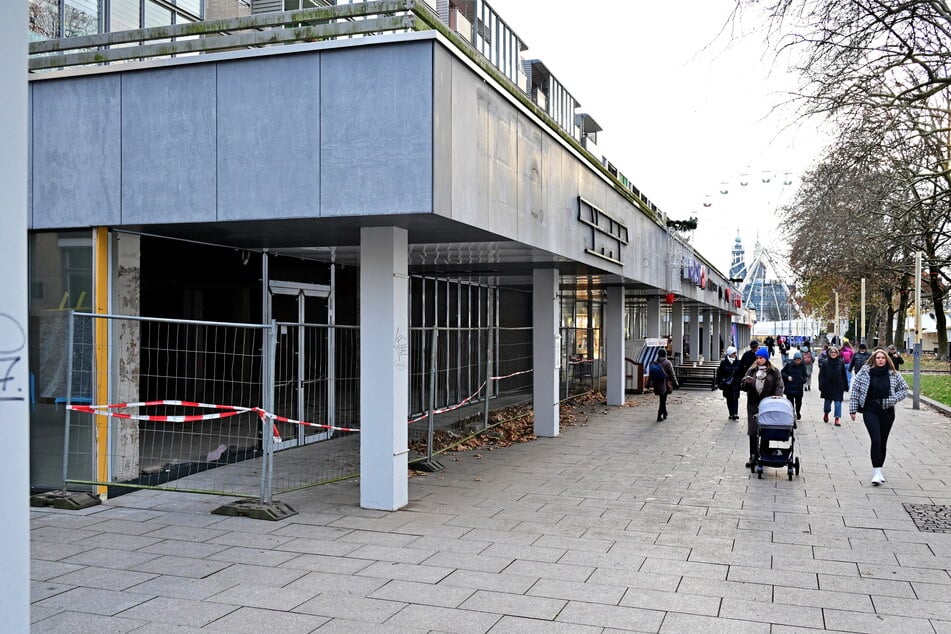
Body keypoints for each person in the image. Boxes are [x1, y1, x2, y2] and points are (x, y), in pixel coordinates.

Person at [849, 348, 909, 485]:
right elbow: (855, 391)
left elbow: (904, 389)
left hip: (887, 410)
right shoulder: (864, 373)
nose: (880, 360)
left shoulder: (893, 374)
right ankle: (876, 472)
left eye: (883, 358)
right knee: (875, 439)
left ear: (886, 359)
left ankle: (880, 470)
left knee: (883, 441)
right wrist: (852, 410)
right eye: (878, 358)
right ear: (874, 359)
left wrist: (893, 399)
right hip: (870, 409)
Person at [740, 347, 784, 468]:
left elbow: (779, 385)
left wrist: (777, 396)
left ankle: (764, 455)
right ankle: (753, 456)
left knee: (765, 429)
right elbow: (743, 387)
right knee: (753, 431)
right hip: (753, 404)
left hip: (767, 404)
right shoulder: (752, 370)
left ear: (766, 359)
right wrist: (746, 383)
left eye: (761, 358)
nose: (758, 360)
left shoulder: (774, 371)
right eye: (757, 358)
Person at [818, 345, 849, 426]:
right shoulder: (825, 362)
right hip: (828, 386)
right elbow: (821, 375)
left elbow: (844, 375)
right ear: (829, 353)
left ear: (837, 353)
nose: (833, 353)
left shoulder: (840, 362)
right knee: (827, 404)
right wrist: (821, 385)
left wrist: (846, 385)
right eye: (831, 352)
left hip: (838, 386)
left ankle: (837, 418)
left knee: (838, 403)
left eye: (835, 352)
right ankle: (826, 413)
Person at [714, 346, 744, 420]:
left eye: (735, 353)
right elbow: (720, 374)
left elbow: (741, 373)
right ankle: (731, 413)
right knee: (729, 399)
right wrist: (719, 382)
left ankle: (735, 413)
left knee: (735, 398)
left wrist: (741, 381)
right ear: (729, 354)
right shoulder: (724, 363)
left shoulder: (738, 362)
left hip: (736, 383)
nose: (735, 355)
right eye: (733, 353)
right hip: (727, 384)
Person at [649, 348, 678, 422]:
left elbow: (651, 375)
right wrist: (676, 383)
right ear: (665, 354)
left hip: (656, 384)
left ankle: (665, 413)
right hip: (665, 384)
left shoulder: (655, 362)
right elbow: (672, 374)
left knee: (662, 400)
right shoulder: (667, 363)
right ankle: (659, 416)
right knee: (662, 401)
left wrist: (648, 384)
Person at [781, 351, 807, 421]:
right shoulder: (789, 365)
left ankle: (798, 412)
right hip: (790, 387)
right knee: (790, 403)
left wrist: (803, 380)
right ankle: (792, 414)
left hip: (798, 388)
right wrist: (787, 377)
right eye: (796, 360)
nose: (797, 361)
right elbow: (782, 372)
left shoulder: (803, 366)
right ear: (794, 359)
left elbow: (805, 376)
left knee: (798, 403)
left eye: (799, 360)